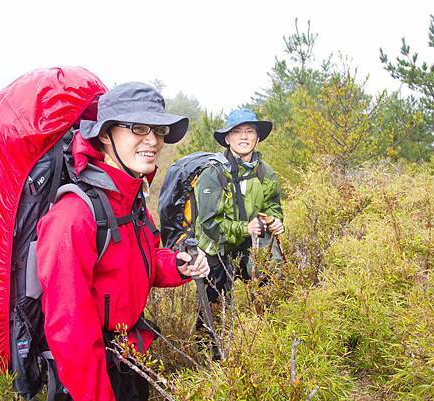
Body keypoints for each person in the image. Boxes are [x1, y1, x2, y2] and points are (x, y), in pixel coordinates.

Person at [36, 82, 210, 401]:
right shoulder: (73, 216)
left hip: (130, 359)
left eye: (158, 130)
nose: (153, 140)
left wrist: (178, 265)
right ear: (105, 134)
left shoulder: (132, 202)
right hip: (95, 378)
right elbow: (69, 330)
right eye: (138, 127)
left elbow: (141, 261)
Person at [193, 107, 284, 313]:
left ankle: (262, 336)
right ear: (227, 139)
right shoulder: (213, 173)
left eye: (250, 131)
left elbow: (273, 205)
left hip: (248, 247)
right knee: (213, 310)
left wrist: (275, 220)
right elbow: (210, 225)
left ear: (257, 138)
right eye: (236, 131)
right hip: (216, 248)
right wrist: (245, 228)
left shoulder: (264, 172)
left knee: (268, 291)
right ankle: (208, 344)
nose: (244, 136)